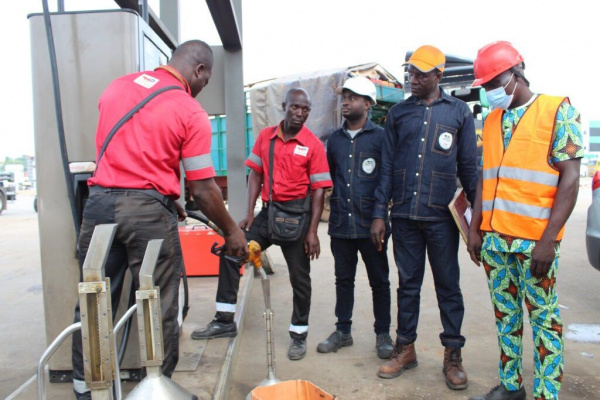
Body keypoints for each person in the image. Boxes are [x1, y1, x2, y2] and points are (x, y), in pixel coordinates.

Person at [70, 40, 248, 400]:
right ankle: (157, 391)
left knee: (93, 301)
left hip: (100, 204)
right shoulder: (188, 109)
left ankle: (85, 390)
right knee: (159, 302)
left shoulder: (117, 87)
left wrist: (165, 196)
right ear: (199, 70)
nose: (202, 89)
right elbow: (203, 188)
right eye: (206, 81)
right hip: (146, 216)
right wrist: (232, 232)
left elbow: (130, 152)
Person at [467, 41, 583, 400]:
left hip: (535, 243)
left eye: (492, 82)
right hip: (496, 241)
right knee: (506, 318)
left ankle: (547, 394)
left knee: (544, 321)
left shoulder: (556, 110)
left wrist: (549, 240)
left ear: (515, 73)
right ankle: (511, 387)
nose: (489, 92)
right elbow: (486, 178)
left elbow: (570, 177)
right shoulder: (491, 120)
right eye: (483, 87)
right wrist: (474, 229)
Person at [192, 88, 332, 361]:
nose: (300, 113)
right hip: (267, 215)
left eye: (306, 109)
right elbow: (255, 175)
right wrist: (249, 213)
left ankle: (298, 334)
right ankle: (224, 320)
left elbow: (318, 192)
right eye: (295, 107)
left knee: (300, 280)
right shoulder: (265, 137)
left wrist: (313, 231)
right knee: (233, 250)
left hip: (298, 219)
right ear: (284, 106)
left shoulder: (313, 145)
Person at [371, 45, 478, 390]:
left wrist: (477, 222)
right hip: (404, 215)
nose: (412, 79)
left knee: (448, 286)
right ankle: (406, 348)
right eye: (410, 73)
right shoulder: (400, 114)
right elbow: (386, 166)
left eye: (420, 74)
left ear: (438, 76)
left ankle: (453, 354)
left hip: (441, 219)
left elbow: (469, 169)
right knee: (408, 285)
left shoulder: (459, 112)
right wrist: (379, 214)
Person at [316, 76, 393, 359]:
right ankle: (343, 331)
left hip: (371, 224)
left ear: (367, 103)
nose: (345, 102)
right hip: (341, 224)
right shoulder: (334, 140)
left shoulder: (382, 137)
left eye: (352, 97)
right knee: (343, 280)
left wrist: (380, 217)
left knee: (379, 281)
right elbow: (333, 176)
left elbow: (386, 179)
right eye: (344, 97)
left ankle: (383, 334)